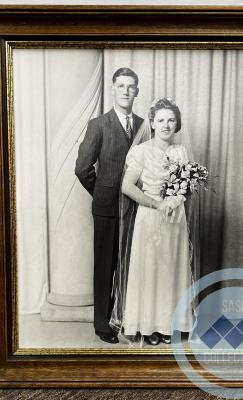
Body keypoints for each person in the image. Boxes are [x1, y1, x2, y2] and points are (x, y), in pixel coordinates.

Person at [110, 98, 194, 346]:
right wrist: (158, 204)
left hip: (175, 219)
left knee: (171, 269)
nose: (166, 125)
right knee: (150, 270)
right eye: (161, 120)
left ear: (176, 123)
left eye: (171, 120)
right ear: (152, 124)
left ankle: (169, 325)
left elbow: (187, 187)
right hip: (150, 216)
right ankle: (148, 327)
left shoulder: (181, 151)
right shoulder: (141, 151)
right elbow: (126, 187)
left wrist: (176, 198)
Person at [75, 68, 143, 344]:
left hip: (137, 208)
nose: (126, 91)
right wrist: (102, 193)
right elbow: (82, 169)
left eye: (131, 86)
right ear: (113, 89)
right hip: (107, 208)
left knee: (131, 263)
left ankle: (127, 317)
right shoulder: (98, 124)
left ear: (136, 91)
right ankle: (102, 324)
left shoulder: (143, 124)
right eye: (121, 86)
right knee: (106, 264)